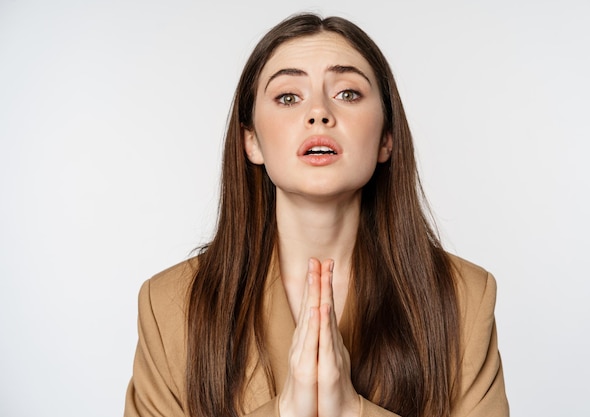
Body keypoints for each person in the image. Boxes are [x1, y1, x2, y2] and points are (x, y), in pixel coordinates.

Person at [124, 13, 509, 417]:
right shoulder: (169, 305)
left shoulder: (465, 297)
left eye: (347, 93)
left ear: (386, 138)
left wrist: (353, 412)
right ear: (250, 141)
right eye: (289, 97)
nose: (319, 113)